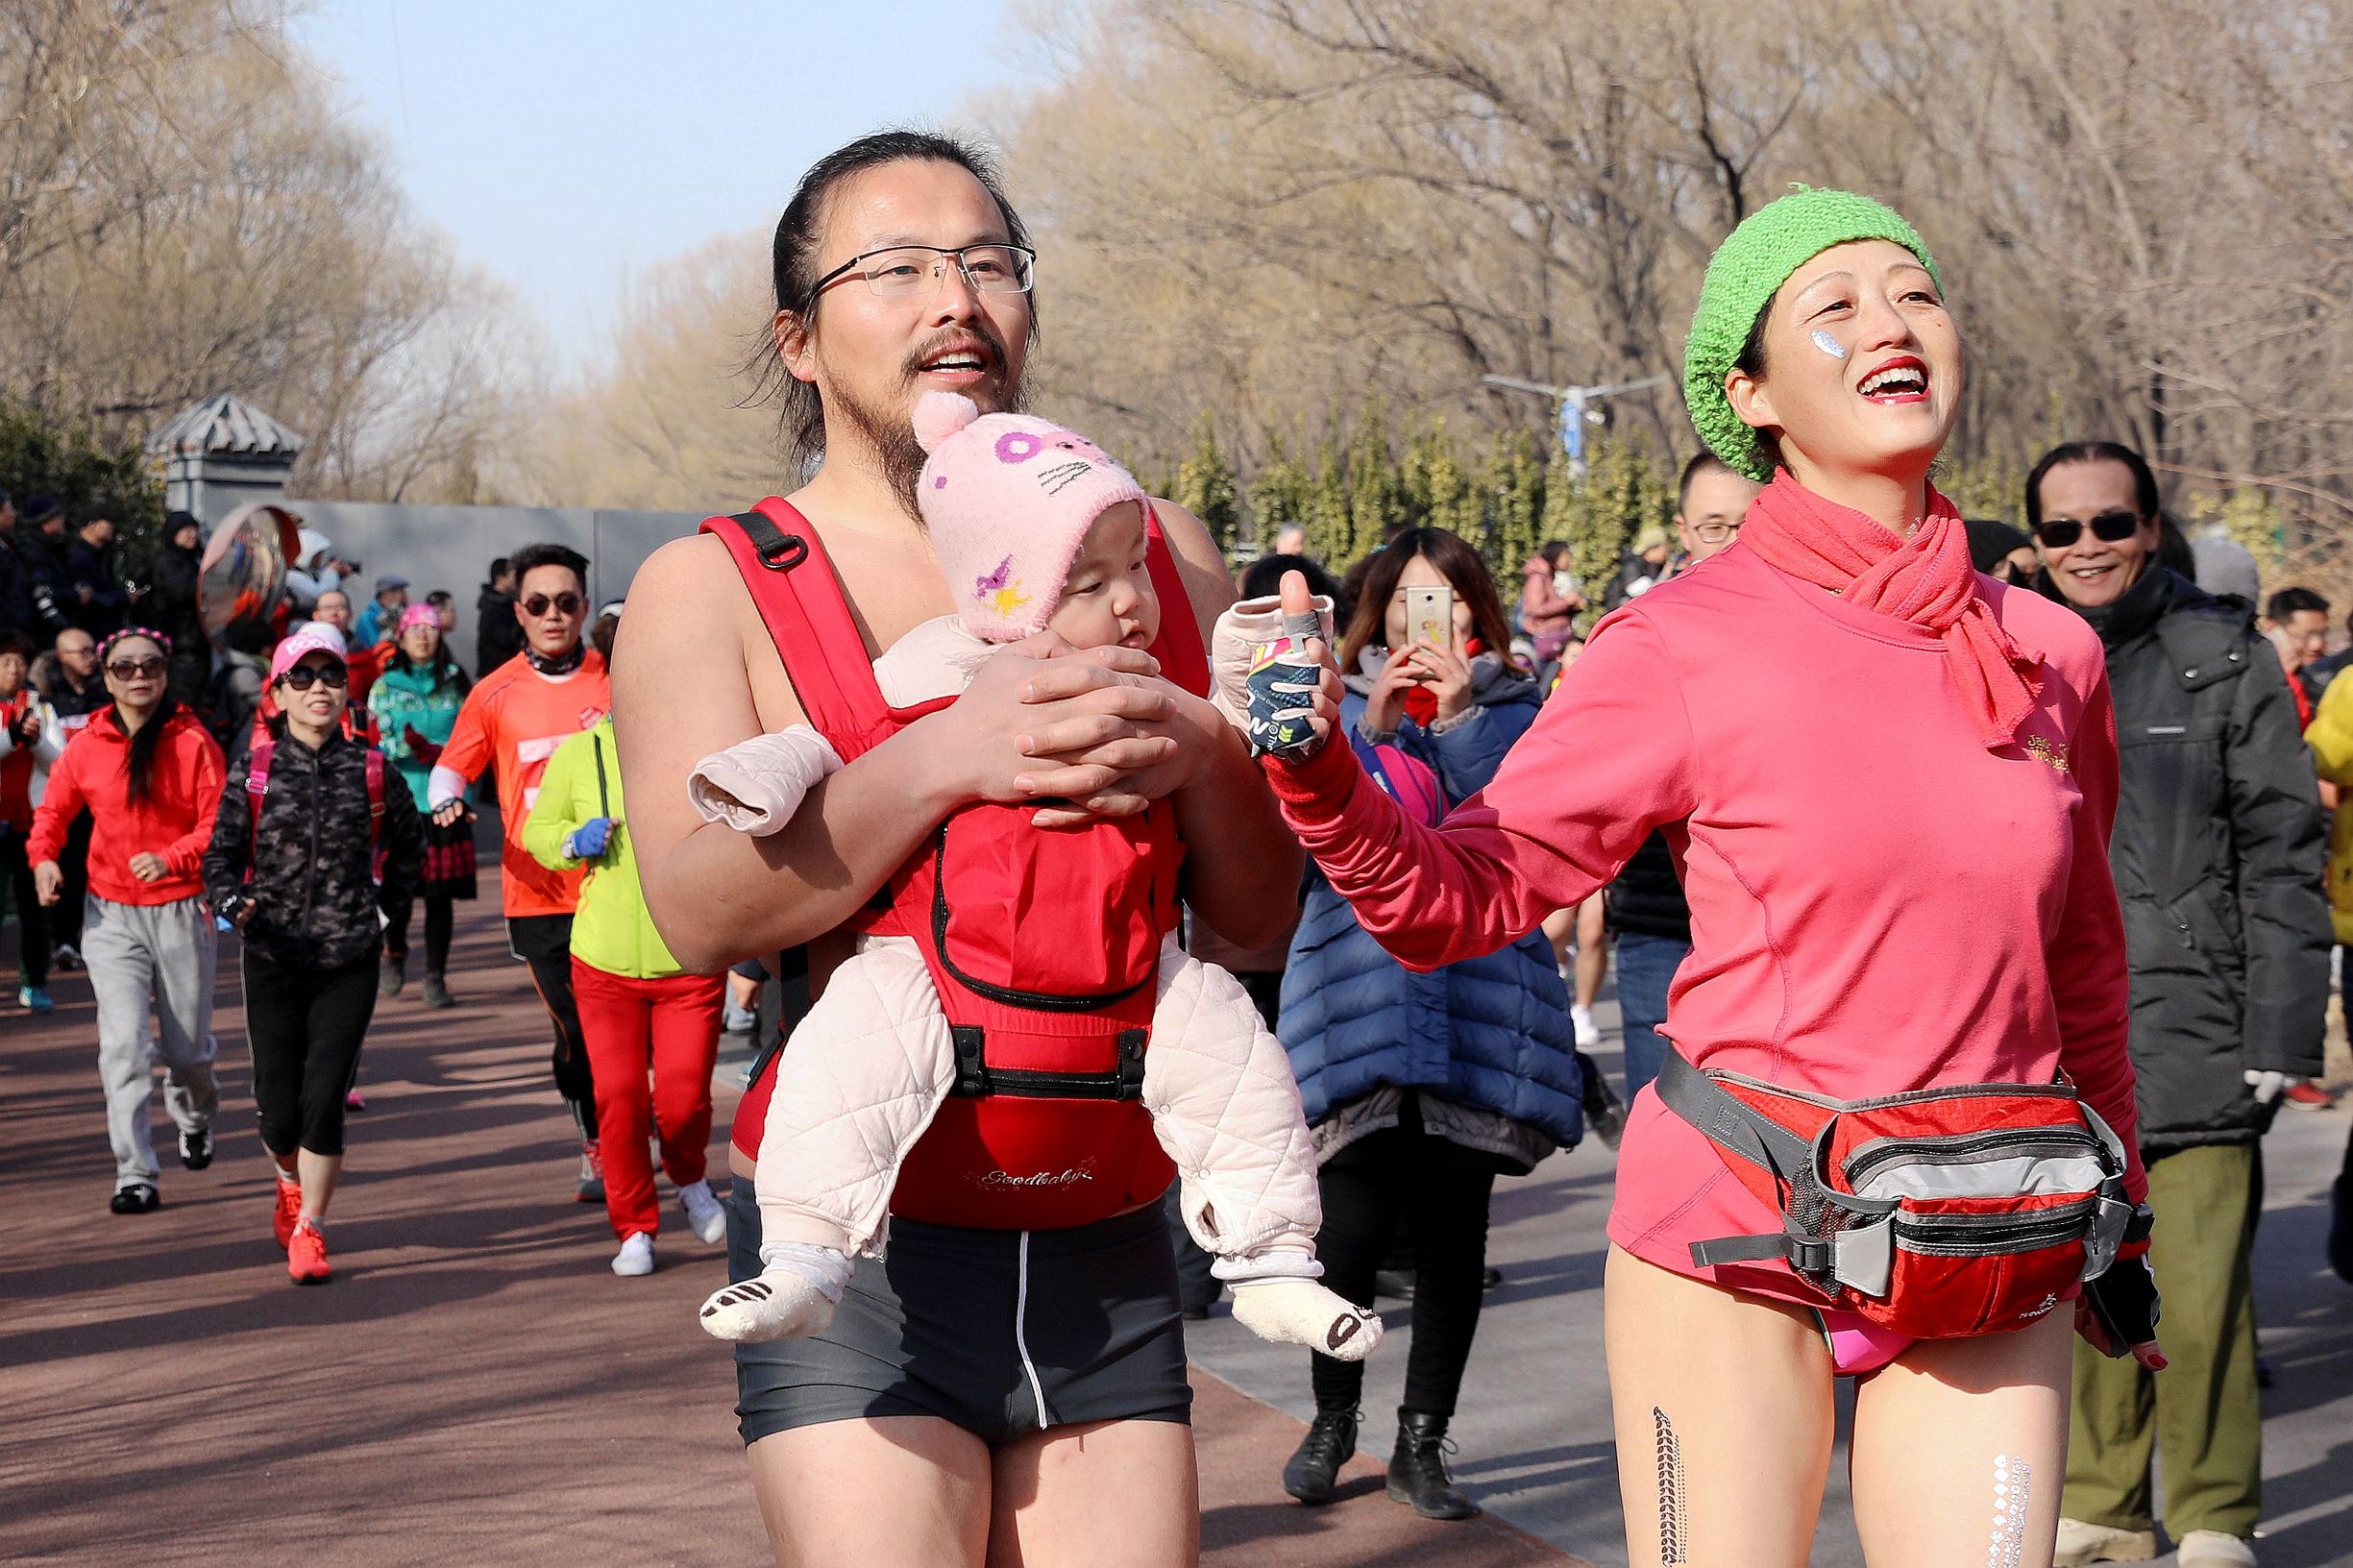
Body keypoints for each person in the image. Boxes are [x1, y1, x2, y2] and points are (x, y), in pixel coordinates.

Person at [1233, 189, 2163, 1568]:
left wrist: (2119, 1214)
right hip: (1741, 1219)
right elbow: (1459, 901)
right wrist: (1310, 765)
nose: (1890, 326)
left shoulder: (2049, 652)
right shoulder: (1671, 645)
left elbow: (2078, 962)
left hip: (1990, 1212)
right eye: (1832, 308)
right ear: (1753, 393)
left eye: (1913, 295)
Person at [613, 130, 1299, 1567]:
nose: (956, 300)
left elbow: (1251, 919)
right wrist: (938, 757)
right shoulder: (711, 581)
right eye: (900, 267)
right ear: (797, 339)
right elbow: (698, 915)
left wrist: (1211, 748)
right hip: (859, 1252)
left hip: (1110, 1232)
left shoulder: (1159, 555)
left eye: (990, 262)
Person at [689, 395, 1370, 1360]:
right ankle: (803, 1255)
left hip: (1133, 969)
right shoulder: (946, 664)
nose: (1132, 599)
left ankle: (1273, 1261)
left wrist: (1254, 730)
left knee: (1240, 1064)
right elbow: (832, 740)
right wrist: (757, 779)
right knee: (843, 1060)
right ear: (1004, 595)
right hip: (934, 962)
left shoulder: (1162, 690)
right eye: (1086, 581)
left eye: (1134, 565)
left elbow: (1255, 868)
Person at [2029, 438, 2331, 1568]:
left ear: (2151, 529)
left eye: (2110, 523)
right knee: (2087, 1289)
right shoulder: (2013, 659)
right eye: (2061, 529)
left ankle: (2211, 1515)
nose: (2086, 547)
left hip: (2200, 1025)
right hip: (2056, 1040)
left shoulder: (2223, 656)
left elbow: (2284, 851)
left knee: (2200, 1307)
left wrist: (2282, 1030)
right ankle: (2102, 1508)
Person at [1269, 524, 1581, 1518]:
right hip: (1353, 999)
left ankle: (1423, 1443)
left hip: (1477, 1009)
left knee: (1453, 1244)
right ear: (1375, 611)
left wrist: (1455, 724)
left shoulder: (1515, 709)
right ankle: (1331, 1423)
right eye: (1404, 600)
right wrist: (1364, 721)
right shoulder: (1332, 707)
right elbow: (1304, 832)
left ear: (1474, 611)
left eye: (1440, 599)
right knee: (1344, 1236)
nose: (1420, 619)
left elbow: (1521, 839)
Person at [204, 627, 423, 1284]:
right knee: (278, 1103)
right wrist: (230, 902)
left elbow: (408, 848)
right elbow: (219, 855)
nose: (319, 688)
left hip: (348, 953)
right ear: (279, 692)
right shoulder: (255, 769)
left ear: (345, 689)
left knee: (324, 1096)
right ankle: (286, 1180)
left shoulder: (374, 769)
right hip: (271, 953)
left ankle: (311, 1227)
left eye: (330, 676)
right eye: (304, 677)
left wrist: (388, 910)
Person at [522, 607, 729, 1276]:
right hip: (604, 960)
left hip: (687, 956)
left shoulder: (701, 747)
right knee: (617, 1099)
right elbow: (535, 833)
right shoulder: (577, 754)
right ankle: (634, 1225)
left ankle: (690, 1175)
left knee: (684, 1098)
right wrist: (568, 842)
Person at [429, 542, 609, 1202]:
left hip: (615, 888)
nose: (553, 614)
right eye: (539, 604)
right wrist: (445, 799)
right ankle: (597, 1139)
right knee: (578, 1030)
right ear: (520, 612)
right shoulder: (494, 691)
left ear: (583, 608)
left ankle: (627, 1131)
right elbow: (453, 767)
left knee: (624, 1029)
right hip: (536, 896)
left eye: (566, 602)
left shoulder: (617, 681)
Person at [29, 627, 227, 1213]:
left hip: (182, 910)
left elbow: (219, 825)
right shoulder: (86, 744)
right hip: (109, 915)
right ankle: (134, 1170)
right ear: (106, 677)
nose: (138, 676)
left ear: (165, 673)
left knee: (188, 1054)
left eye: (150, 666)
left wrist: (171, 858)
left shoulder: (194, 741)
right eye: (124, 668)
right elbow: (53, 809)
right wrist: (42, 859)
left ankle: (193, 1116)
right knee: (124, 1047)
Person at [1604, 454, 1761, 1099]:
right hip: (1657, 924)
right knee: (1665, 1122)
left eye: (1747, 523)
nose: (1731, 543)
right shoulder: (1641, 638)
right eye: (1714, 526)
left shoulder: (1821, 632)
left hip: (1771, 936)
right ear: (1684, 532)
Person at [368, 603, 477, 1006]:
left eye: (430, 628)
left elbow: (472, 735)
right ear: (401, 636)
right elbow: (377, 741)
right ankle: (393, 953)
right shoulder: (386, 685)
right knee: (399, 890)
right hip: (402, 803)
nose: (422, 636)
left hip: (446, 801)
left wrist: (441, 753)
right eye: (414, 629)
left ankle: (436, 976)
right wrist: (406, 746)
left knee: (439, 896)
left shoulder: (454, 681)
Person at [33, 626, 104, 969]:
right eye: (83, 652)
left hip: (102, 799)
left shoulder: (104, 696)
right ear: (62, 656)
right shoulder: (47, 701)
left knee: (97, 869)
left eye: (94, 650)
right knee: (67, 870)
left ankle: (93, 939)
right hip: (65, 798)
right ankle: (63, 940)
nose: (91, 658)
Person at [1, 630, 65, 1010]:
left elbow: (60, 761)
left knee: (36, 909)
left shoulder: (41, 708)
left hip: (32, 825)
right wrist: (11, 736)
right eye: (7, 661)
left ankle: (35, 981)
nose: (15, 668)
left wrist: (37, 739)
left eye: (20, 661)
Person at [146, 511, 210, 708]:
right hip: (181, 645)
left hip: (198, 642)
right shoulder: (168, 562)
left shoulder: (194, 560)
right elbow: (183, 592)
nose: (192, 534)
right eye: (186, 530)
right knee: (183, 702)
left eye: (194, 529)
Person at [2259, 585, 2328, 727]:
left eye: (2323, 634)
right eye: (2305, 636)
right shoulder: (2249, 678)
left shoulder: (2331, 677)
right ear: (2272, 630)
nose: (2317, 645)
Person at [1517, 540, 1581, 667]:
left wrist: (1574, 606)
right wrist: (1566, 602)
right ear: (1555, 555)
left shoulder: (1551, 576)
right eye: (1566, 556)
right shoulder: (1538, 577)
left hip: (1560, 636)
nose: (1568, 561)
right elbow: (1535, 608)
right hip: (1547, 640)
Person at [63, 515, 127, 638]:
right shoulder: (76, 556)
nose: (112, 527)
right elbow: (90, 594)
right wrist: (121, 598)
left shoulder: (104, 555)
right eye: (108, 521)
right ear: (92, 524)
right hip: (90, 627)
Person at [476, 558, 524, 676]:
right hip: (496, 676)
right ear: (500, 577)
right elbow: (507, 640)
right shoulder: (492, 609)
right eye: (513, 576)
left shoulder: (507, 604)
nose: (517, 581)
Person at [355, 574, 408, 649]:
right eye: (400, 592)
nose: (403, 597)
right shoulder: (368, 617)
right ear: (385, 594)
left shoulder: (397, 612)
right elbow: (375, 645)